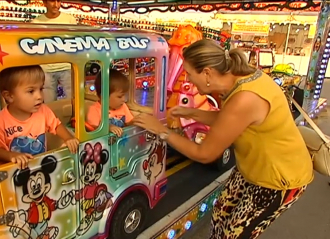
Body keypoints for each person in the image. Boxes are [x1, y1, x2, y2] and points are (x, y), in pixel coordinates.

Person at [133, 39, 313, 239]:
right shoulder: (239, 79)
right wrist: (190, 112)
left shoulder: (245, 97)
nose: (189, 81)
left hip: (278, 178)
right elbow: (229, 120)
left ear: (207, 73)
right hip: (251, 169)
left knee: (233, 233)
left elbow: (204, 154)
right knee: (219, 216)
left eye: (190, 75)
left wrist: (162, 131)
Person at [0, 65, 79, 169]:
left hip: (41, 167)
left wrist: (68, 138)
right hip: (15, 172)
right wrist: (12, 156)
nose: (40, 96)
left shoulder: (43, 110)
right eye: (31, 91)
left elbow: (56, 125)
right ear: (9, 96)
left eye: (41, 89)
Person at [32, 0, 77, 103]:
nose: (56, 5)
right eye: (52, 1)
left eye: (58, 1)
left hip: (67, 66)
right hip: (46, 69)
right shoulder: (37, 22)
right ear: (45, 3)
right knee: (49, 104)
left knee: (73, 102)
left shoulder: (69, 20)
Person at [86, 69, 133, 137]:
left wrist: (137, 121)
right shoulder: (94, 110)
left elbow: (130, 122)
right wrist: (108, 127)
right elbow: (93, 129)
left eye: (124, 95)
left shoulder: (123, 106)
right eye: (120, 97)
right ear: (104, 96)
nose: (124, 99)